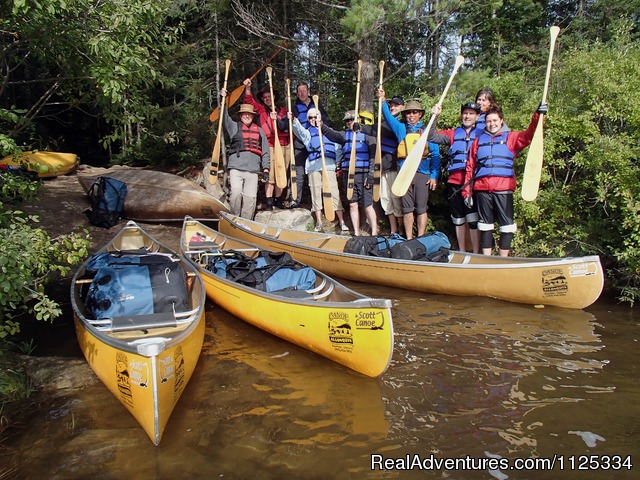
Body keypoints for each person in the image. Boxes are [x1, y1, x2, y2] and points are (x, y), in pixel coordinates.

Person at [462, 103, 547, 256]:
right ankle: (487, 259)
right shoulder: (477, 142)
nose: (492, 124)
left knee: (506, 225)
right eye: (489, 121)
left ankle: (503, 259)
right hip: (482, 189)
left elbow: (529, 135)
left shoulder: (511, 138)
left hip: (503, 188)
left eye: (495, 120)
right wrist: (466, 193)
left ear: (501, 121)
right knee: (485, 226)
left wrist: (538, 116)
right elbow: (470, 168)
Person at [378, 91, 441, 239]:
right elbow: (387, 116)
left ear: (420, 114)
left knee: (421, 209)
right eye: (408, 113)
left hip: (422, 174)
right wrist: (382, 101)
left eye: (415, 112)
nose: (411, 115)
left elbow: (436, 155)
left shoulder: (426, 130)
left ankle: (420, 237)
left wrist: (434, 176)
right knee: (407, 209)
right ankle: (409, 238)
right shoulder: (401, 128)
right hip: (404, 174)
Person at [428, 101, 482, 253]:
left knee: (473, 220)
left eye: (471, 113)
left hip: (472, 183)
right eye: (465, 113)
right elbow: (431, 136)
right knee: (458, 220)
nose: (467, 116)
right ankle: (462, 250)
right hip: (454, 182)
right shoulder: (453, 134)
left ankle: (476, 253)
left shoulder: (482, 134)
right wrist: (435, 116)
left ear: (477, 116)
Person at [290, 108, 348, 232]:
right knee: (316, 193)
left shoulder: (329, 132)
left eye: (315, 117)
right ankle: (319, 222)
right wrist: (294, 120)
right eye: (310, 117)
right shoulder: (307, 133)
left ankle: (342, 222)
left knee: (334, 193)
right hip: (314, 167)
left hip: (329, 166)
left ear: (319, 118)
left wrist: (338, 162)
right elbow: (298, 130)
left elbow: (338, 147)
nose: (313, 120)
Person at [323, 110, 378, 236]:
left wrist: (370, 175)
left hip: (363, 174)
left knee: (367, 205)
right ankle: (356, 233)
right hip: (349, 174)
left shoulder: (368, 135)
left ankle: (374, 232)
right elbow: (331, 134)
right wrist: (321, 125)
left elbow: (373, 157)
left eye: (352, 119)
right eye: (347, 120)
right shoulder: (344, 135)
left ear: (358, 119)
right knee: (353, 205)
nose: (350, 122)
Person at [357, 96, 404, 234]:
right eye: (391, 106)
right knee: (386, 200)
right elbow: (372, 129)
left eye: (396, 106)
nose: (393, 107)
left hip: (394, 168)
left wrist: (363, 128)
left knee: (397, 201)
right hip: (383, 169)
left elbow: (380, 128)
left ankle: (401, 231)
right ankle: (393, 231)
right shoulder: (382, 125)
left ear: (402, 107)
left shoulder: (400, 124)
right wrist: (359, 127)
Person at [220, 89, 270, 219]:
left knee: (250, 198)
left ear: (253, 116)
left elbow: (265, 150)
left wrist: (266, 169)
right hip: (236, 168)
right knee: (236, 193)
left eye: (249, 114)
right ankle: (234, 218)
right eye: (244, 114)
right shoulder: (234, 127)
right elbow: (224, 118)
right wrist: (223, 100)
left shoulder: (259, 130)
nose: (247, 116)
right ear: (240, 115)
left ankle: (246, 222)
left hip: (253, 169)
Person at [243, 79, 290, 210]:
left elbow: (287, 127)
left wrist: (280, 119)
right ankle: (269, 202)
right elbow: (249, 101)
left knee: (281, 173)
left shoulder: (284, 111)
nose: (268, 99)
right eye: (265, 97)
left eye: (270, 97)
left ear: (274, 97)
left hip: (284, 145)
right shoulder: (261, 110)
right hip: (269, 144)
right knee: (270, 174)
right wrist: (247, 88)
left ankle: (278, 200)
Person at [290, 82, 330, 208]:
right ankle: (295, 200)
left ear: (308, 92)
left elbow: (327, 121)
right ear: (297, 94)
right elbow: (288, 124)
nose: (302, 93)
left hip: (315, 144)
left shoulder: (317, 105)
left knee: (319, 172)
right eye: (299, 91)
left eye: (304, 90)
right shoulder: (294, 108)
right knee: (299, 174)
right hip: (300, 145)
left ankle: (323, 203)